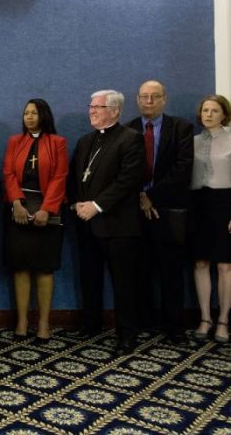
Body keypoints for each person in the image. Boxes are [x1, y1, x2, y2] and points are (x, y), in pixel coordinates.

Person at [67, 90, 145, 356]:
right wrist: (76, 203)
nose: (92, 111)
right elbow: (76, 176)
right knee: (89, 278)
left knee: (123, 282)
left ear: (115, 110)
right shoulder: (85, 140)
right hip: (85, 222)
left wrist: (96, 206)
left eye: (98, 107)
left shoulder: (131, 139)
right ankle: (91, 324)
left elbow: (128, 180)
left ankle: (127, 334)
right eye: (90, 106)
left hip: (118, 224)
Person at [124, 81, 193, 345]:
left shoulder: (181, 128)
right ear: (137, 99)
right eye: (144, 97)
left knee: (171, 271)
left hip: (168, 210)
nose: (149, 101)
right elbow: (124, 171)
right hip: (135, 210)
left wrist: (151, 196)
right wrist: (141, 196)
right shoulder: (127, 130)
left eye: (154, 97)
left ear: (164, 99)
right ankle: (143, 321)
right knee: (139, 271)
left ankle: (175, 327)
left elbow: (182, 169)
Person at [3, 99, 67, 343]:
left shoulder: (57, 142)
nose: (29, 117)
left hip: (46, 212)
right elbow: (8, 173)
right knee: (20, 267)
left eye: (34, 113)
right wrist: (16, 203)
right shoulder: (15, 142)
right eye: (26, 113)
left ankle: (43, 323)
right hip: (18, 210)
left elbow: (60, 176)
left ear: (44, 115)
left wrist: (47, 209)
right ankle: (21, 321)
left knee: (44, 267)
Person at [189, 94, 231, 343]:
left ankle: (224, 319)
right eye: (205, 110)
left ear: (224, 114)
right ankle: (205, 318)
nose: (209, 115)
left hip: (225, 203)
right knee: (201, 263)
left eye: (215, 111)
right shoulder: (192, 142)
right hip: (198, 204)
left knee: (225, 265)